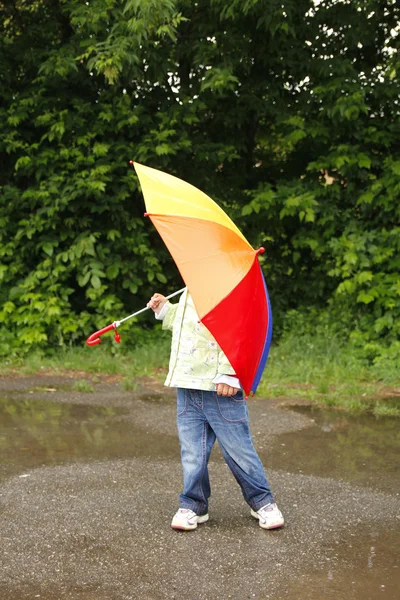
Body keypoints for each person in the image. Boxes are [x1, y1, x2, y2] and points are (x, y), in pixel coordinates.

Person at [147, 288, 284, 531]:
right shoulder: (191, 289)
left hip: (220, 387)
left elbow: (237, 330)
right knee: (192, 452)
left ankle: (262, 501)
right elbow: (187, 324)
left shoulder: (226, 291)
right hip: (188, 385)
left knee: (238, 450)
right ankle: (193, 504)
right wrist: (166, 309)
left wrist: (229, 372)